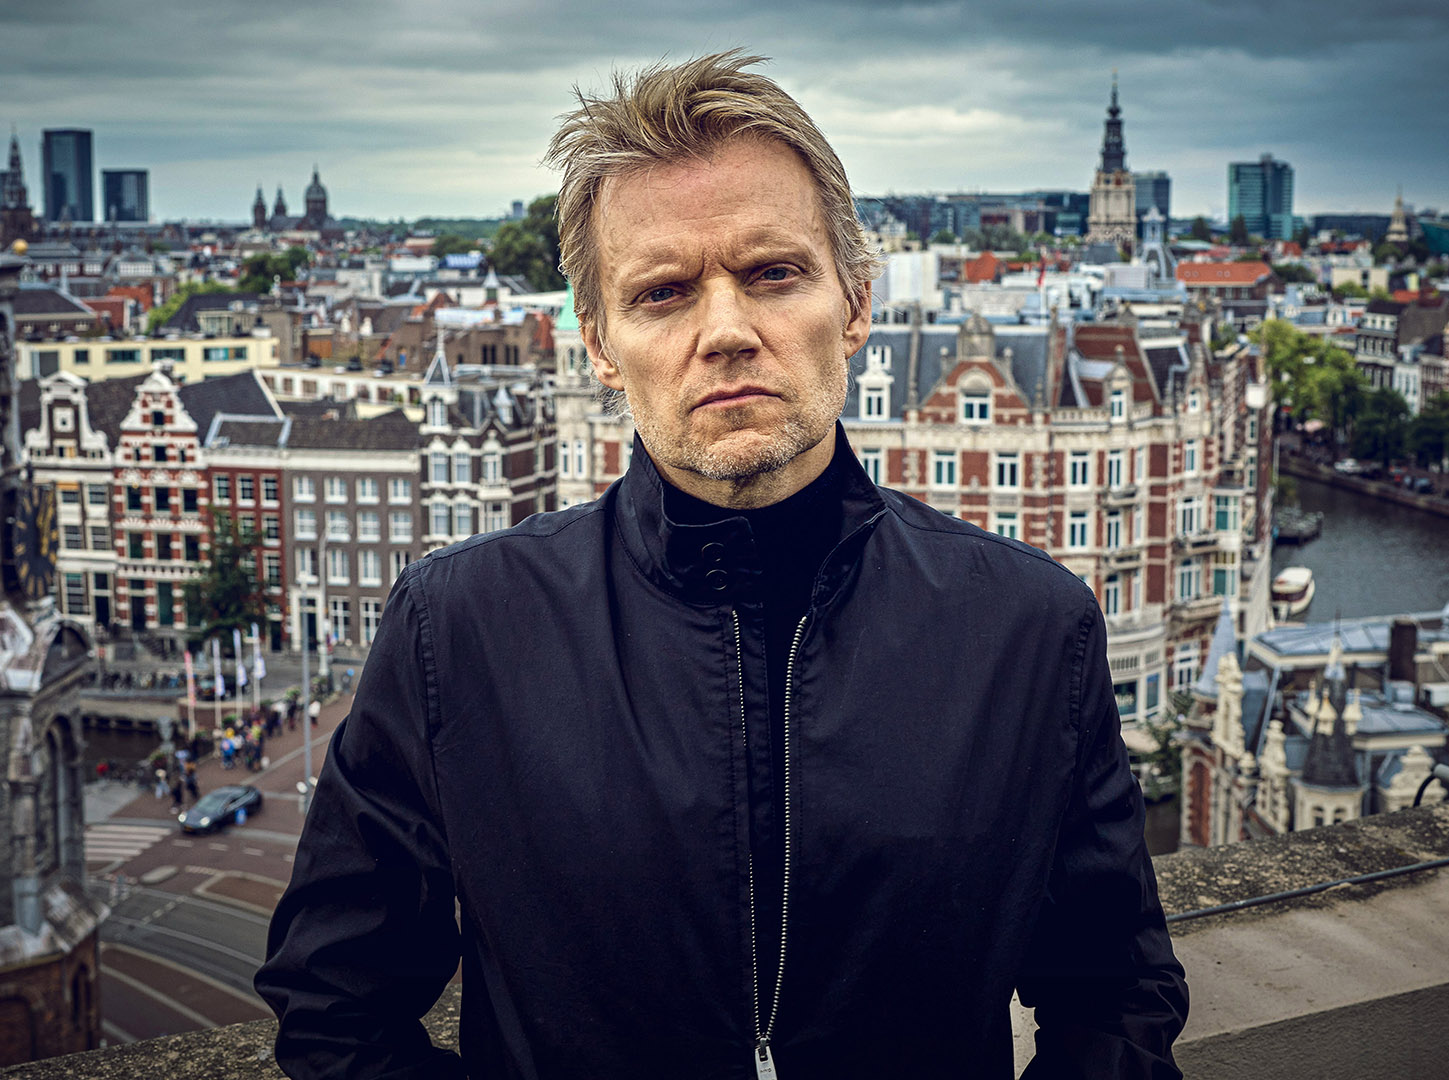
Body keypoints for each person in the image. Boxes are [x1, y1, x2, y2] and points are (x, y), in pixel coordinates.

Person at [257, 51, 1186, 1079]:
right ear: (601, 346)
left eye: (773, 273)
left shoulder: (1028, 627)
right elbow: (334, 1009)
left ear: (856, 303)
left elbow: (1115, 998)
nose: (727, 331)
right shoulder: (459, 630)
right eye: (663, 292)